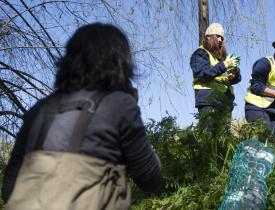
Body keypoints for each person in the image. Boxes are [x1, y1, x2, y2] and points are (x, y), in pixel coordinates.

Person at [2, 23, 161, 210]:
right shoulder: (120, 104)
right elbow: (150, 179)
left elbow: (9, 189)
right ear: (121, 62)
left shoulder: (38, 110)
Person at [190, 23, 241, 132]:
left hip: (225, 102)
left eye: (222, 37)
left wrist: (234, 74)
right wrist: (224, 65)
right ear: (208, 37)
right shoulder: (200, 54)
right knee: (209, 137)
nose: (220, 40)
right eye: (217, 36)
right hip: (208, 100)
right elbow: (204, 73)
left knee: (224, 140)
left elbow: (234, 78)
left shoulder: (221, 58)